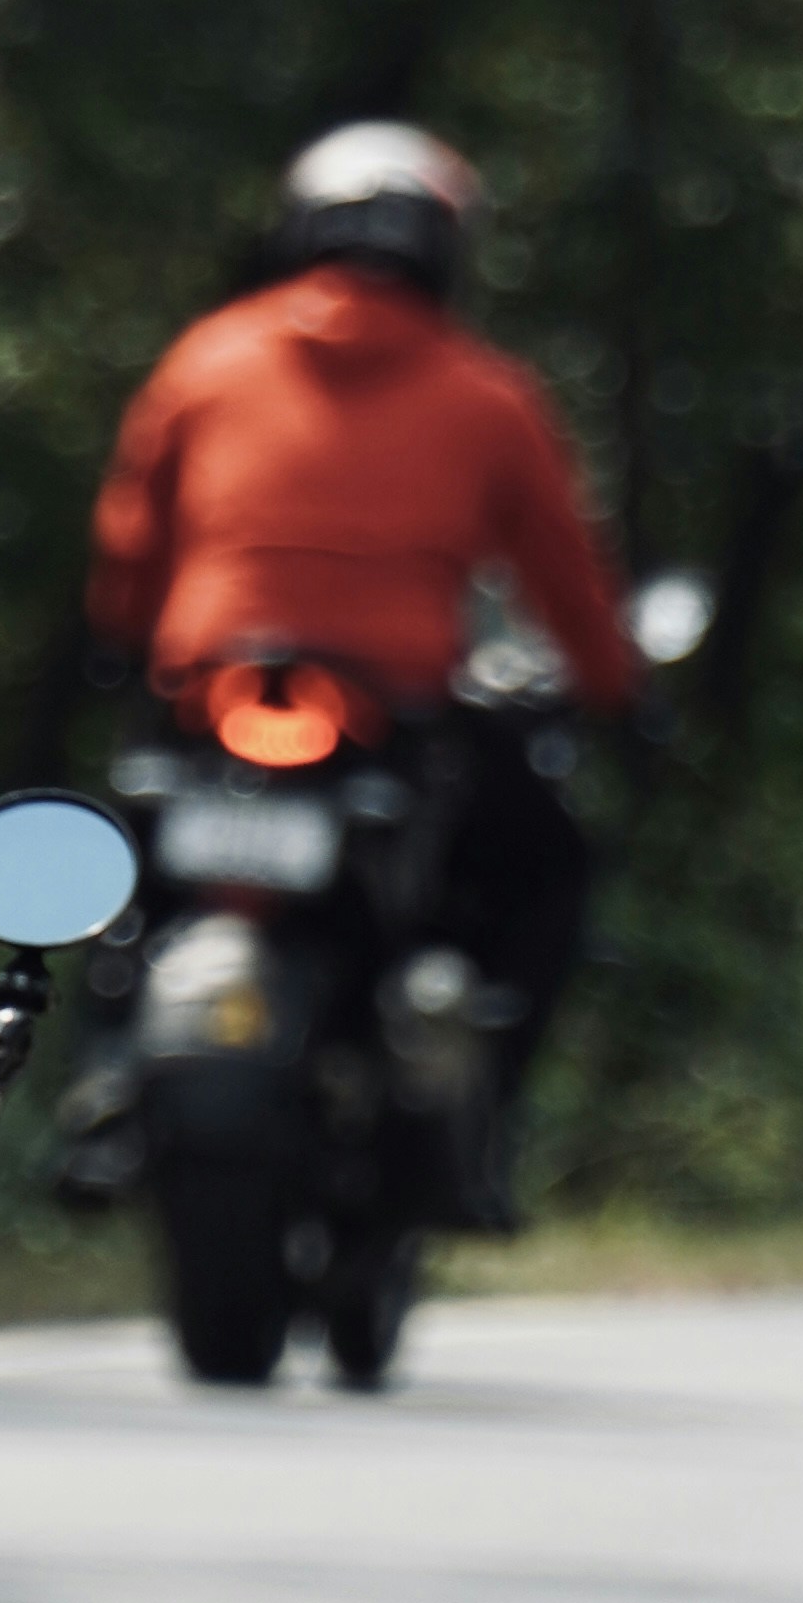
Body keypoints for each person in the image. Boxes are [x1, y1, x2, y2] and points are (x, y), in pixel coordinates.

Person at [84, 117, 637, 1100]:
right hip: (395, 699)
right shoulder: (490, 393)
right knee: (548, 864)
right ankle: (483, 1100)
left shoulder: (206, 359)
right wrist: (614, 688)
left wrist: (125, 641)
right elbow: (566, 575)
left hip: (213, 683)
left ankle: (96, 1063)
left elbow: (131, 538)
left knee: (115, 870)